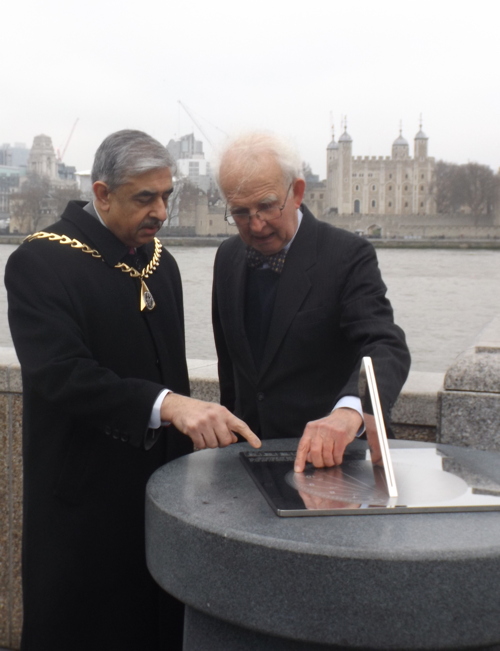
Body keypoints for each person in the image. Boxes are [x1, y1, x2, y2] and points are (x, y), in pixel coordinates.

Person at [5, 129, 260, 651]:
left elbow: (175, 373)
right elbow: (61, 374)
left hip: (160, 496)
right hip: (83, 504)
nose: (161, 212)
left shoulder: (160, 262)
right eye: (145, 198)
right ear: (101, 193)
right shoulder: (38, 262)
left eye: (167, 196)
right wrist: (167, 405)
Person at [212, 132, 410, 473]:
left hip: (334, 464)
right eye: (240, 212)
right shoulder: (227, 256)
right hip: (247, 462)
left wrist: (350, 412)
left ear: (298, 193)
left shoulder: (347, 255)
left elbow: (384, 345)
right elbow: (230, 368)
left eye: (267, 206)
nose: (256, 225)